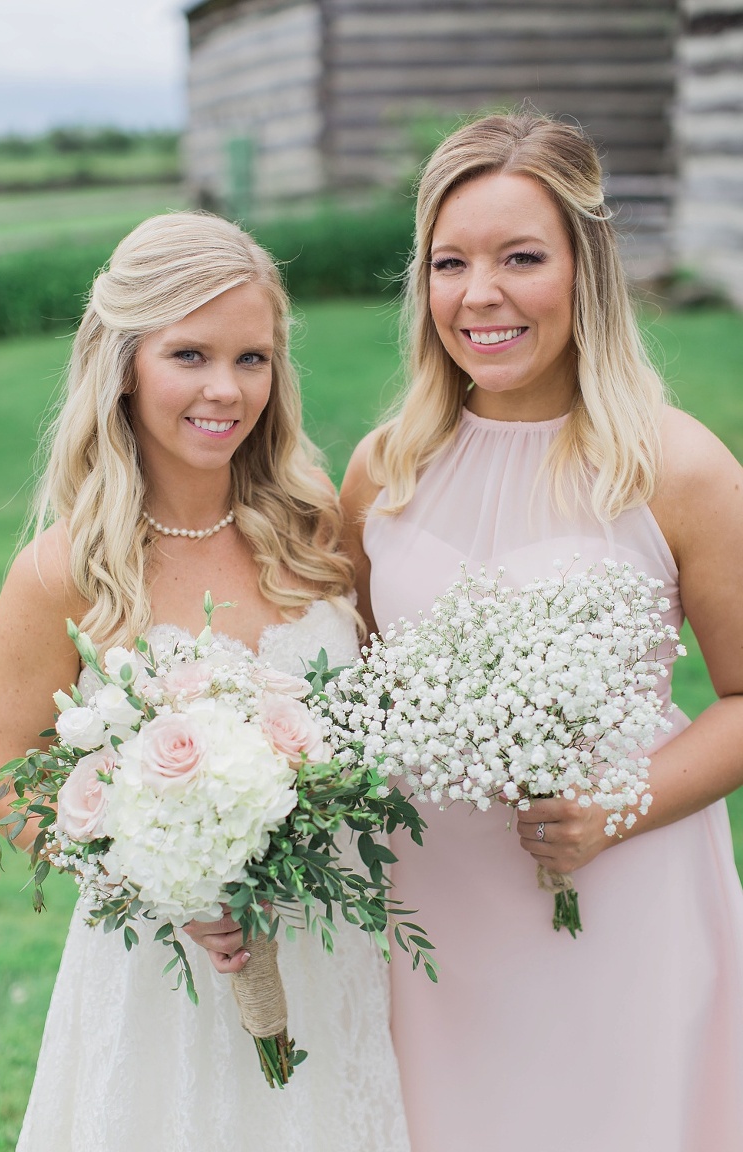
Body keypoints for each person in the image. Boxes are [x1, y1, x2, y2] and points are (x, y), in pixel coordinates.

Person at [341, 112, 743, 1152]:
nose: (481, 294)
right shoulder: (384, 468)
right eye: (450, 263)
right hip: (432, 913)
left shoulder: (677, 469)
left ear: (585, 266)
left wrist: (617, 806)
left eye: (521, 257)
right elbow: (350, 687)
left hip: (621, 899)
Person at [0, 212, 410, 1152]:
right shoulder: (64, 572)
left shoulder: (318, 531)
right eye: (190, 355)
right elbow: (4, 775)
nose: (227, 389)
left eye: (252, 358)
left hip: (331, 947)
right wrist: (156, 882)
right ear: (124, 365)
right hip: (161, 972)